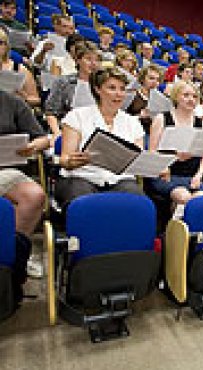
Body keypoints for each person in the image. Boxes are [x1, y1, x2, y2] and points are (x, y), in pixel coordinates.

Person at [55, 67, 144, 210]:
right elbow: (64, 159)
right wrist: (72, 161)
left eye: (122, 89)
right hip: (82, 176)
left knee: (137, 204)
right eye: (112, 88)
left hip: (119, 179)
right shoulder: (77, 116)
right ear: (97, 89)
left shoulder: (132, 122)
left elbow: (137, 158)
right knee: (83, 203)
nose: (118, 94)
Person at [0, 90, 50, 301]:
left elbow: (43, 139)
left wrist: (32, 146)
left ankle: (14, 259)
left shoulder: (12, 102)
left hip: (5, 169)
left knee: (35, 195)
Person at [148, 81, 203, 213]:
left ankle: (186, 230)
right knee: (183, 196)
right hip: (166, 175)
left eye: (194, 96)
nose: (191, 99)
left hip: (191, 176)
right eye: (186, 95)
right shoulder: (162, 118)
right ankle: (175, 229)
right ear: (176, 97)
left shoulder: (200, 123)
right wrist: (165, 165)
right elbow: (152, 152)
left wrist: (198, 176)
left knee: (202, 199)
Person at [45, 41, 100, 141]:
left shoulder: (103, 85)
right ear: (78, 60)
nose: (94, 64)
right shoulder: (63, 82)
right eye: (88, 59)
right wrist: (57, 134)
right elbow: (51, 113)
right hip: (68, 131)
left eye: (97, 60)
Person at [0, 27, 40, 106]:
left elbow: (36, 99)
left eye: (0, 43)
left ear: (6, 46)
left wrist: (25, 98)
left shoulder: (20, 69)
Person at [125, 63, 163, 143]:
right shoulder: (131, 94)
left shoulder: (161, 99)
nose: (155, 82)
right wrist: (139, 116)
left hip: (153, 133)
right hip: (132, 133)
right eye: (151, 78)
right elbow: (119, 117)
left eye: (157, 80)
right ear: (142, 78)